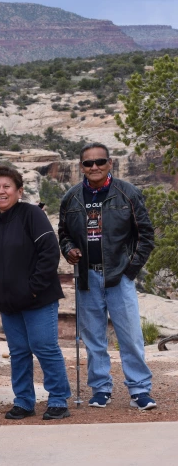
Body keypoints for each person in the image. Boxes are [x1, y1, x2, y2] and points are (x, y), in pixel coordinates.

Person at [58, 142, 156, 411]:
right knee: (93, 339)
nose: (95, 167)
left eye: (100, 161)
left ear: (110, 163)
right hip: (87, 277)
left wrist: (130, 270)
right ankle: (101, 389)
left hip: (119, 275)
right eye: (88, 163)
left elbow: (146, 235)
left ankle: (140, 390)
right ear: (81, 167)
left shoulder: (128, 193)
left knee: (130, 336)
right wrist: (69, 250)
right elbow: (63, 233)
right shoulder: (72, 197)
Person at [0, 166, 71, 420]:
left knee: (44, 347)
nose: (1, 192)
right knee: (19, 351)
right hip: (8, 301)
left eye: (6, 187)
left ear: (19, 191)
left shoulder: (32, 214)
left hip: (38, 299)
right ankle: (23, 401)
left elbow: (49, 252)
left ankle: (57, 399)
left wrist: (33, 289)